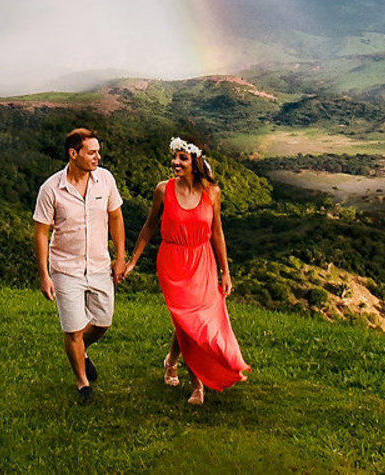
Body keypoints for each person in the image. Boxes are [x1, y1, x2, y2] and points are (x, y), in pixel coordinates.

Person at [119, 136, 249, 404]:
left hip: (203, 260)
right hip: (173, 261)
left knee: (196, 323)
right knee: (187, 321)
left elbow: (217, 233)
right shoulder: (162, 190)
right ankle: (197, 386)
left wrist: (226, 271)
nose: (175, 162)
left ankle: (171, 360)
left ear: (195, 162)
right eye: (174, 157)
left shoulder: (212, 192)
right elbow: (149, 226)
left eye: (182, 158)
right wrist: (132, 261)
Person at [32, 127, 126, 403]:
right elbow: (41, 232)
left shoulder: (105, 180)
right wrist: (44, 275)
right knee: (73, 329)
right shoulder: (51, 189)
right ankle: (82, 383)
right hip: (65, 269)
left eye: (98, 151)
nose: (98, 157)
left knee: (103, 322)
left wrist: (120, 257)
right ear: (73, 154)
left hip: (99, 266)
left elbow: (116, 217)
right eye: (91, 152)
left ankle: (81, 349)